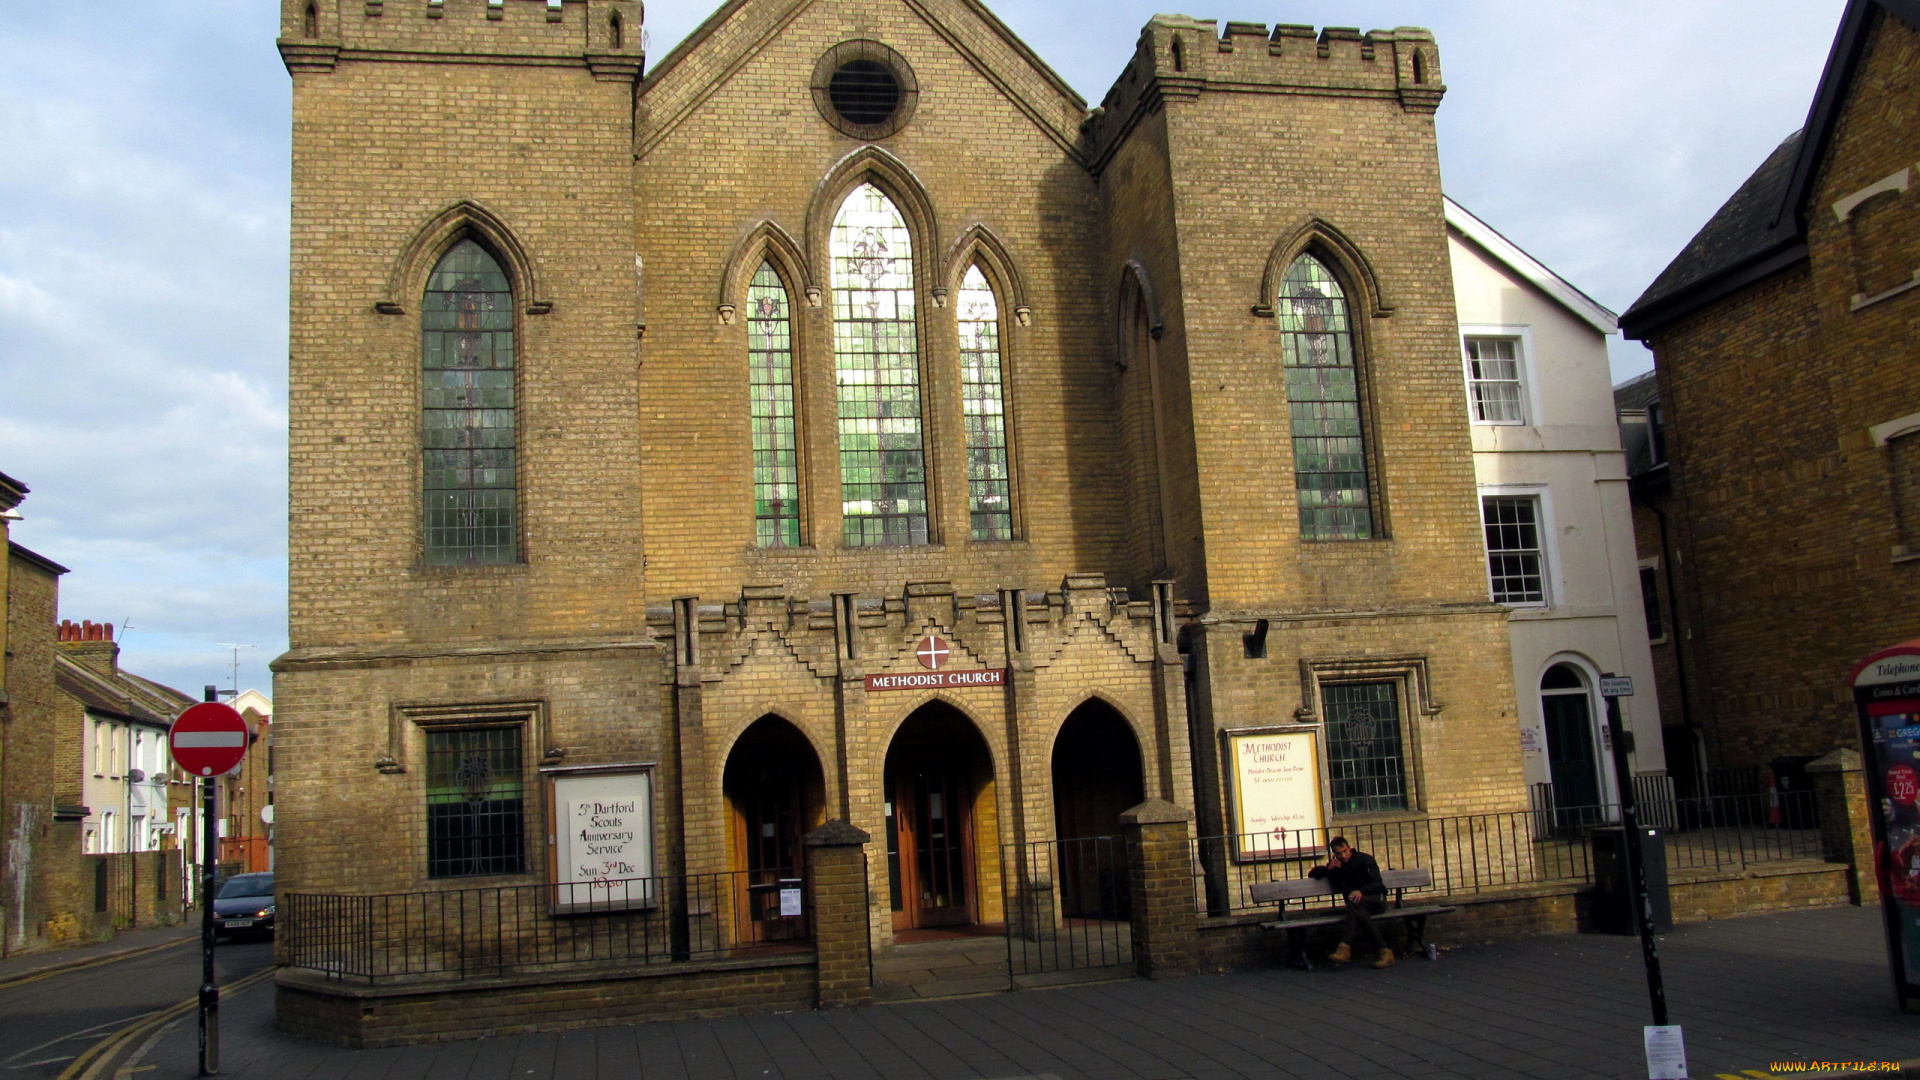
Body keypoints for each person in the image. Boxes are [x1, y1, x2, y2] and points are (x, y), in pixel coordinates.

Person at [1307, 836, 1394, 968]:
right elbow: (1313, 874)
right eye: (1338, 853)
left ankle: (1345, 947)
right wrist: (1327, 869)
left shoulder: (1365, 860)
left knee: (1353, 905)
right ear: (1334, 854)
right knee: (1359, 913)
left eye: (1345, 851)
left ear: (1349, 848)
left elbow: (1378, 884)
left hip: (1376, 900)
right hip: (1357, 906)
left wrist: (1362, 891)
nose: (1343, 855)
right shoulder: (1337, 867)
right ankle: (1385, 951)